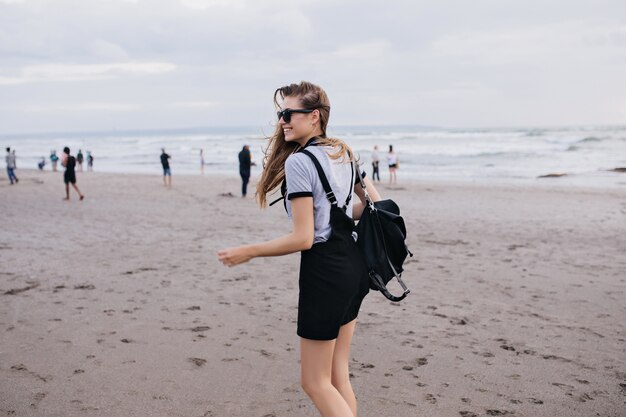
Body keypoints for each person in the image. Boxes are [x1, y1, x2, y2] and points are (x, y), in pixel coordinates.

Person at [218, 81, 382, 417]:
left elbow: (303, 238)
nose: (282, 121)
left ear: (315, 116)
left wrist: (249, 250)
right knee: (338, 376)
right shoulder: (344, 153)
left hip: (325, 273)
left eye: (289, 113)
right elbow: (369, 208)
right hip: (354, 267)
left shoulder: (300, 162)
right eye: (281, 114)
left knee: (314, 382)